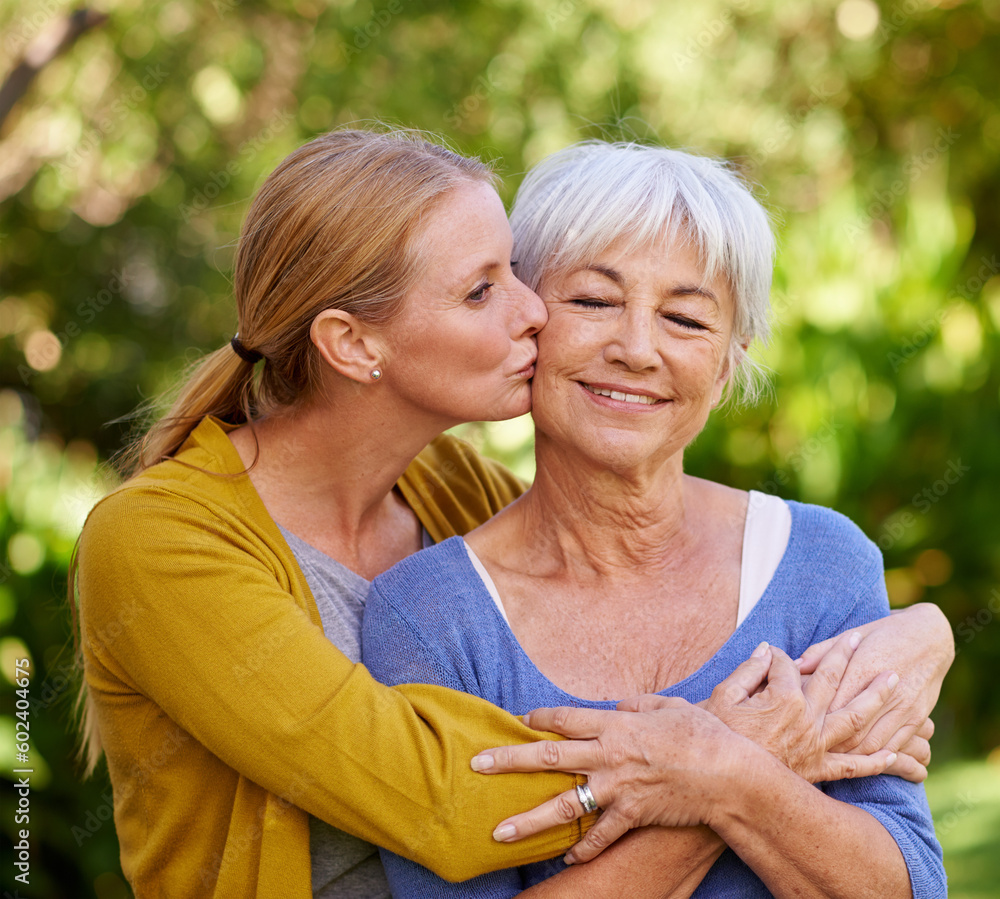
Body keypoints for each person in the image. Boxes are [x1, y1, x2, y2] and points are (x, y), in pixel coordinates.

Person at [73, 129, 951, 899]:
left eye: (516, 275)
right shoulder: (159, 542)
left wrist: (925, 628)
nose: (536, 310)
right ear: (352, 343)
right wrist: (738, 757)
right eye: (483, 290)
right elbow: (446, 803)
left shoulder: (453, 490)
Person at [362, 141, 948, 897]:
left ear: (729, 364)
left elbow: (906, 886)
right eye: (595, 301)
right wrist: (746, 762)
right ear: (527, 320)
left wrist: (719, 772)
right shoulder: (426, 616)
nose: (637, 349)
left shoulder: (825, 562)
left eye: (685, 319)